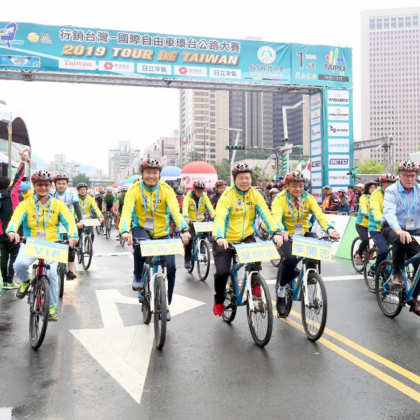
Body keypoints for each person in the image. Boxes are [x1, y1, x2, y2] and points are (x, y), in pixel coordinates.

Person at [120, 159, 190, 321]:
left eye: (155, 172)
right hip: (141, 229)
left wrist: (184, 230)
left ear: (159, 174)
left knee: (171, 268)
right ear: (142, 174)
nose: (151, 176)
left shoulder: (166, 190)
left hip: (162, 233)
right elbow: (127, 211)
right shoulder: (134, 189)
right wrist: (125, 230)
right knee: (141, 245)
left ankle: (166, 304)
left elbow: (175, 211)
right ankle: (138, 275)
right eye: (148, 172)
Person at [212, 163, 283, 316]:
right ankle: (218, 300)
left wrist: (275, 232)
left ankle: (255, 282)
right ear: (234, 179)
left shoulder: (255, 194)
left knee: (255, 260)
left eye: (247, 178)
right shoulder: (227, 195)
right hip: (225, 239)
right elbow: (220, 216)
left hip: (246, 237)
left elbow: (265, 214)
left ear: (251, 179)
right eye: (241, 178)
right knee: (222, 273)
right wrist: (219, 236)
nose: (244, 181)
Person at [7, 170, 78, 321]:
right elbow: (16, 217)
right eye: (40, 184)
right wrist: (12, 230)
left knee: (52, 274)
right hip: (31, 242)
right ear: (34, 186)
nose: (43, 187)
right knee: (19, 264)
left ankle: (51, 306)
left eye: (46, 184)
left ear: (50, 186)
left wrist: (73, 235)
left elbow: (69, 221)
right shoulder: (26, 204)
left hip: (52, 244)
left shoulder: (58, 204)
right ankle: (25, 282)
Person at [272, 171, 340, 316]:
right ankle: (282, 291)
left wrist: (330, 229)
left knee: (315, 240)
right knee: (290, 259)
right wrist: (278, 231)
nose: (298, 189)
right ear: (287, 186)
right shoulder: (280, 198)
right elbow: (276, 216)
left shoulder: (308, 198)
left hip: (302, 233)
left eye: (301, 186)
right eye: (294, 186)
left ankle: (310, 274)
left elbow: (319, 215)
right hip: (285, 235)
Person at [382, 161, 420, 316]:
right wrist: (398, 229)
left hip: (414, 230)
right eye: (405, 175)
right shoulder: (391, 190)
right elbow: (389, 213)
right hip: (392, 228)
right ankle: (397, 272)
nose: (409, 178)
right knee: (401, 239)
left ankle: (414, 298)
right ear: (400, 175)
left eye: (412, 175)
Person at [0, 153, 27, 290]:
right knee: (14, 256)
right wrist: (23, 162)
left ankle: (4, 281)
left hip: (0, 232)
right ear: (8, 185)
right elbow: (19, 178)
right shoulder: (12, 193)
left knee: (3, 256)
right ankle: (10, 280)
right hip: (13, 231)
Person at [53, 174, 84, 279]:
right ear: (55, 184)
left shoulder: (71, 194)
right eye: (59, 183)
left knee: (70, 246)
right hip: (54, 224)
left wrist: (80, 220)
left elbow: (77, 206)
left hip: (67, 223)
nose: (61, 186)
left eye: (63, 183)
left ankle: (70, 270)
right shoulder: (51, 194)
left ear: (67, 184)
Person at [368, 174, 397, 277]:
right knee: (383, 250)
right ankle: (375, 269)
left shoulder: (396, 193)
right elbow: (376, 211)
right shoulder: (375, 195)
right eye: (387, 185)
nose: (390, 188)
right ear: (381, 185)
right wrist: (384, 220)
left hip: (391, 227)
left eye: (392, 185)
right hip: (377, 227)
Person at [182, 180, 215, 268]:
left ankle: (202, 244)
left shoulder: (204, 196)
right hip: (191, 221)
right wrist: (185, 216)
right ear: (194, 189)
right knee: (189, 240)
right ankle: (187, 259)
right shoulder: (188, 196)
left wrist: (214, 215)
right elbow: (185, 207)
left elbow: (210, 207)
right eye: (198, 190)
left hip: (201, 220)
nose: (200, 192)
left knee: (205, 233)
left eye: (202, 190)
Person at [354, 180, 377, 265]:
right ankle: (359, 254)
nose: (373, 189)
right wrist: (366, 214)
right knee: (365, 239)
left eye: (375, 187)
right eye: (371, 187)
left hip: (373, 223)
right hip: (361, 224)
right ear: (367, 188)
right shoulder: (363, 197)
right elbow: (363, 207)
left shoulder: (377, 197)